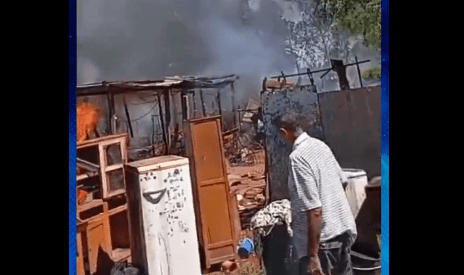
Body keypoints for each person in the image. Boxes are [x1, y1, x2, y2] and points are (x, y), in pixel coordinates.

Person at [272, 110, 357, 275]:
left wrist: (312, 256)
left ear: (284, 132)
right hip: (340, 234)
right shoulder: (320, 145)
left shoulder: (297, 158)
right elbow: (342, 182)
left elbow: (315, 209)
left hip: (322, 245)